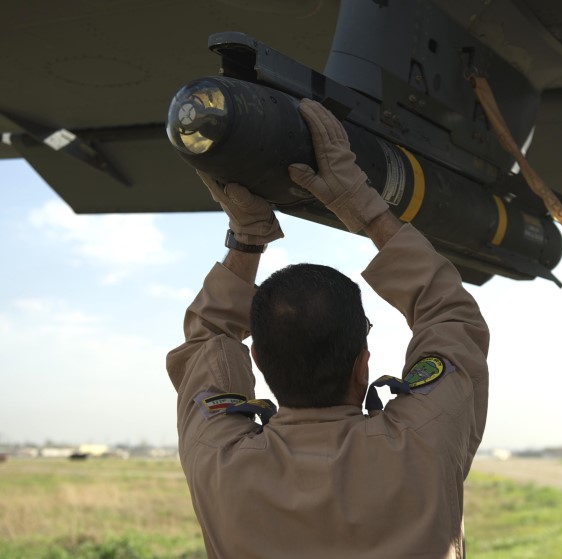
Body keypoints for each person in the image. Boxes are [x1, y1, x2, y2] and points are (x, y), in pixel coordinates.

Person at [166, 99, 490, 559]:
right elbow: (452, 316)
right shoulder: (426, 441)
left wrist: (248, 235)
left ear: (258, 361)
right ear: (364, 365)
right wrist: (361, 205)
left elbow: (205, 343)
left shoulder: (218, 459)